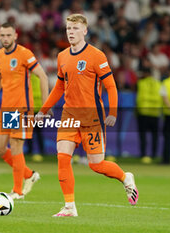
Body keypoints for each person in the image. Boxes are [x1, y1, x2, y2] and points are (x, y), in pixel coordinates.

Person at [36, 14, 139, 217]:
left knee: (96, 164)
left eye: (75, 28)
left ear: (85, 31)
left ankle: (125, 177)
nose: (71, 32)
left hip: (92, 116)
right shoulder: (62, 56)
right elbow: (58, 87)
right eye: (68, 28)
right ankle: (69, 207)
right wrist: (43, 109)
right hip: (69, 115)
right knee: (63, 158)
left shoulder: (96, 56)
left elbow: (110, 86)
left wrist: (113, 113)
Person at [0, 22, 50, 199]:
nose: (5, 38)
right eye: (2, 35)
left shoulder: (24, 54)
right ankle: (29, 175)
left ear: (15, 36)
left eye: (8, 35)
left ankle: (17, 191)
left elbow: (43, 75)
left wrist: (45, 107)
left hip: (23, 108)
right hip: (7, 109)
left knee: (16, 145)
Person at [136, 68, 162, 164]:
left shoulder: (141, 83)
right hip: (155, 113)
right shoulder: (158, 84)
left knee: (143, 136)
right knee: (155, 136)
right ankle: (154, 155)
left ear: (145, 74)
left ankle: (143, 154)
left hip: (143, 112)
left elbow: (138, 98)